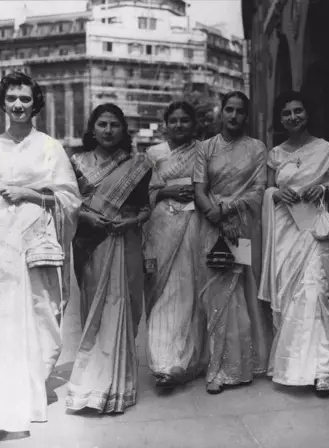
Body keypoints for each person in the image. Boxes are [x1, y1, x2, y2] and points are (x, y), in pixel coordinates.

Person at [0, 71, 81, 440]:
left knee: (41, 310)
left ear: (35, 103)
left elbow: (69, 199)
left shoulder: (50, 147)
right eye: (11, 98)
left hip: (35, 238)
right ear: (1, 102)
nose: (18, 105)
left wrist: (29, 194)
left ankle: (29, 388)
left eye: (25, 99)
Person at [66, 103, 153, 413]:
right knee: (95, 311)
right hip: (92, 244)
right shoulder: (76, 163)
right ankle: (90, 382)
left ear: (123, 130)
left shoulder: (138, 164)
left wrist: (132, 222)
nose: (108, 130)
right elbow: (69, 204)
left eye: (114, 124)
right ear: (92, 129)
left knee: (125, 306)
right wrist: (87, 220)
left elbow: (145, 208)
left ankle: (120, 385)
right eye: (102, 124)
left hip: (126, 241)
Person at [259, 91, 329, 396]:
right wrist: (275, 194)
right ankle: (289, 367)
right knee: (289, 295)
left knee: (316, 293)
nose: (294, 117)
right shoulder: (275, 154)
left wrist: (321, 188)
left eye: (298, 111)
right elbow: (267, 189)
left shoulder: (325, 149)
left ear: (308, 113)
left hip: (312, 230)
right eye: (287, 113)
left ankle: (321, 370)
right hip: (285, 232)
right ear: (281, 119)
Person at [193, 91, 271, 394]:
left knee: (240, 296)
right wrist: (212, 210)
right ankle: (216, 367)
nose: (234, 116)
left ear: (246, 115)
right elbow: (199, 187)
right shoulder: (206, 147)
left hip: (241, 226)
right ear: (221, 112)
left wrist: (227, 209)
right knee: (216, 297)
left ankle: (240, 367)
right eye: (229, 110)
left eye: (240, 111)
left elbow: (259, 188)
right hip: (211, 226)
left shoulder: (257, 148)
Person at [143, 101, 206, 388]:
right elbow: (143, 192)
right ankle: (162, 363)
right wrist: (167, 190)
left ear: (194, 124)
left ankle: (186, 361)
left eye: (185, 120)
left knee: (188, 289)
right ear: (166, 123)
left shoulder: (204, 151)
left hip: (194, 224)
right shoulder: (153, 154)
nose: (179, 125)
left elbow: (212, 187)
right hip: (160, 226)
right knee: (162, 289)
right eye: (174, 120)